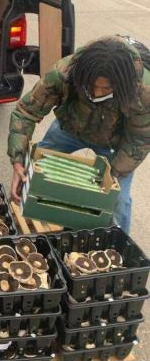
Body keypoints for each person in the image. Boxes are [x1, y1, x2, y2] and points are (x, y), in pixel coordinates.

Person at [8, 36, 150, 233]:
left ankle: (120, 243)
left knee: (118, 200)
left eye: (106, 88)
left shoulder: (143, 91)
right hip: (70, 129)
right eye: (92, 85)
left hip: (113, 142)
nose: (97, 93)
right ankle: (22, 226)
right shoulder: (64, 72)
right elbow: (26, 112)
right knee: (35, 174)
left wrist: (112, 175)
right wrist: (17, 161)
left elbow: (139, 140)